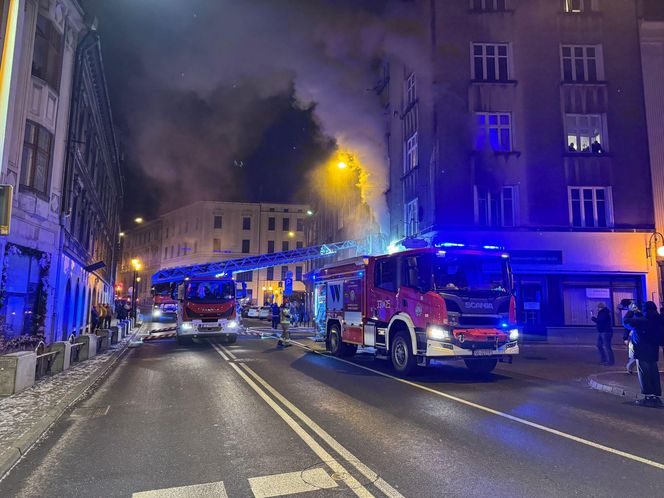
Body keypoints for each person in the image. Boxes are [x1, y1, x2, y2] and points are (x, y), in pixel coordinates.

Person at [624, 301, 662, 406]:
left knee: (644, 373)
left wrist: (631, 311)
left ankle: (648, 396)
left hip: (642, 350)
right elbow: (644, 320)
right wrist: (638, 313)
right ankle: (656, 396)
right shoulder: (657, 319)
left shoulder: (643, 320)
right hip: (653, 350)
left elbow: (626, 322)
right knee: (654, 373)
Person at [623, 303, 638, 374]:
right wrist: (625, 338)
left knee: (634, 354)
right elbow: (627, 328)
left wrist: (625, 338)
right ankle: (629, 367)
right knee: (635, 354)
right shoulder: (634, 315)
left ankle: (629, 368)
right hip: (634, 337)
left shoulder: (631, 315)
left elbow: (626, 326)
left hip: (634, 337)